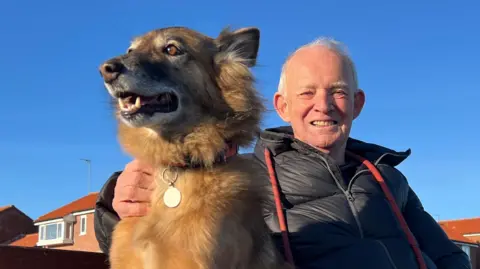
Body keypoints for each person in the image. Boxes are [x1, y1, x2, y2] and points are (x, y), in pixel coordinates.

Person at [94, 38, 471, 269]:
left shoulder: (387, 176)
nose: (323, 106)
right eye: (307, 93)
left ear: (357, 103)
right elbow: (166, 238)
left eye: (337, 92)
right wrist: (116, 203)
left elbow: (447, 255)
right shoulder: (240, 175)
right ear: (282, 105)